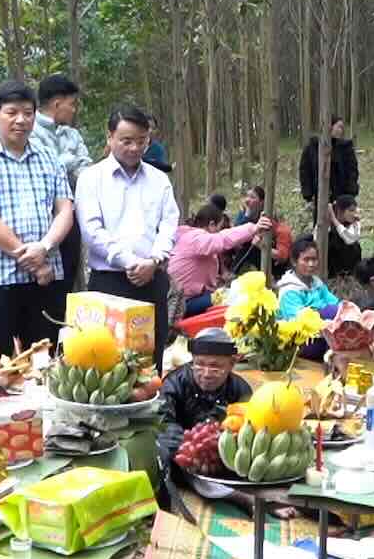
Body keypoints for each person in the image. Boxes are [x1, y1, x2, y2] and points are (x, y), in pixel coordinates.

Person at [0, 80, 75, 356]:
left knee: (45, 361)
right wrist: (34, 262)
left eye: (28, 112)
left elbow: (65, 211)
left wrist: (45, 247)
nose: (21, 120)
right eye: (12, 112)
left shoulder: (50, 159)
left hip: (47, 277)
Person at [76, 105, 181, 368]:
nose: (135, 148)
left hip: (152, 278)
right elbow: (91, 230)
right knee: (106, 359)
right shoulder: (91, 178)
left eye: (141, 141)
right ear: (110, 137)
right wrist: (129, 262)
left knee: (149, 359)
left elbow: (169, 223)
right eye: (126, 141)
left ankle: (150, 407)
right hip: (109, 283)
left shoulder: (158, 179)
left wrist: (154, 260)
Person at [156, 328, 293, 520]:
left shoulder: (240, 388)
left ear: (231, 364)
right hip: (186, 457)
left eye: (215, 367)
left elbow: (251, 428)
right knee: (183, 465)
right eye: (199, 365)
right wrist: (192, 448)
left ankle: (267, 495)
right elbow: (163, 424)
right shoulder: (174, 383)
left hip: (226, 454)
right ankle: (242, 497)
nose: (206, 373)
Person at [32, 74, 93, 289]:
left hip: (72, 213)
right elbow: (42, 169)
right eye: (72, 104)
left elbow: (86, 170)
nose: (74, 109)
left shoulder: (72, 134)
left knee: (71, 272)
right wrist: (68, 160)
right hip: (40, 218)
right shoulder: (30, 131)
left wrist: (64, 162)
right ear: (57, 103)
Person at [170, 204, 270, 317]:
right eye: (220, 227)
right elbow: (222, 239)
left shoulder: (188, 237)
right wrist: (253, 228)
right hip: (183, 303)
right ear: (212, 224)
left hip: (188, 298)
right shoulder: (195, 238)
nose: (220, 231)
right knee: (235, 299)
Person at [298, 116, 360, 218]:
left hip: (342, 196)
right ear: (329, 126)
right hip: (320, 197)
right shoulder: (312, 147)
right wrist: (308, 195)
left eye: (342, 128)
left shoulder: (346, 148)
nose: (341, 130)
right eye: (339, 127)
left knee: (341, 227)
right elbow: (305, 172)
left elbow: (353, 171)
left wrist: (351, 193)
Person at [229, 185, 292, 277]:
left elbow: (282, 257)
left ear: (261, 202)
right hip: (254, 255)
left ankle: (232, 275)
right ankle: (232, 274)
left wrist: (261, 245)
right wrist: (247, 213)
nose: (247, 200)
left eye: (252, 197)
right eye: (247, 196)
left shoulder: (280, 228)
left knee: (248, 246)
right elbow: (236, 235)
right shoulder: (244, 214)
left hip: (275, 264)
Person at [276, 236, 340, 321]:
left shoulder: (317, 284)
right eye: (306, 260)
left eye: (314, 259)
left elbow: (335, 303)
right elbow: (298, 320)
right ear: (294, 262)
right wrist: (323, 313)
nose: (311, 264)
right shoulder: (289, 291)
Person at [326, 195, 363, 278]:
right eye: (351, 211)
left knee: (355, 246)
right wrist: (330, 220)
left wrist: (333, 219)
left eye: (355, 210)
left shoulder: (354, 224)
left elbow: (349, 239)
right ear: (339, 211)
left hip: (349, 269)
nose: (354, 214)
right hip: (332, 270)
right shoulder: (326, 224)